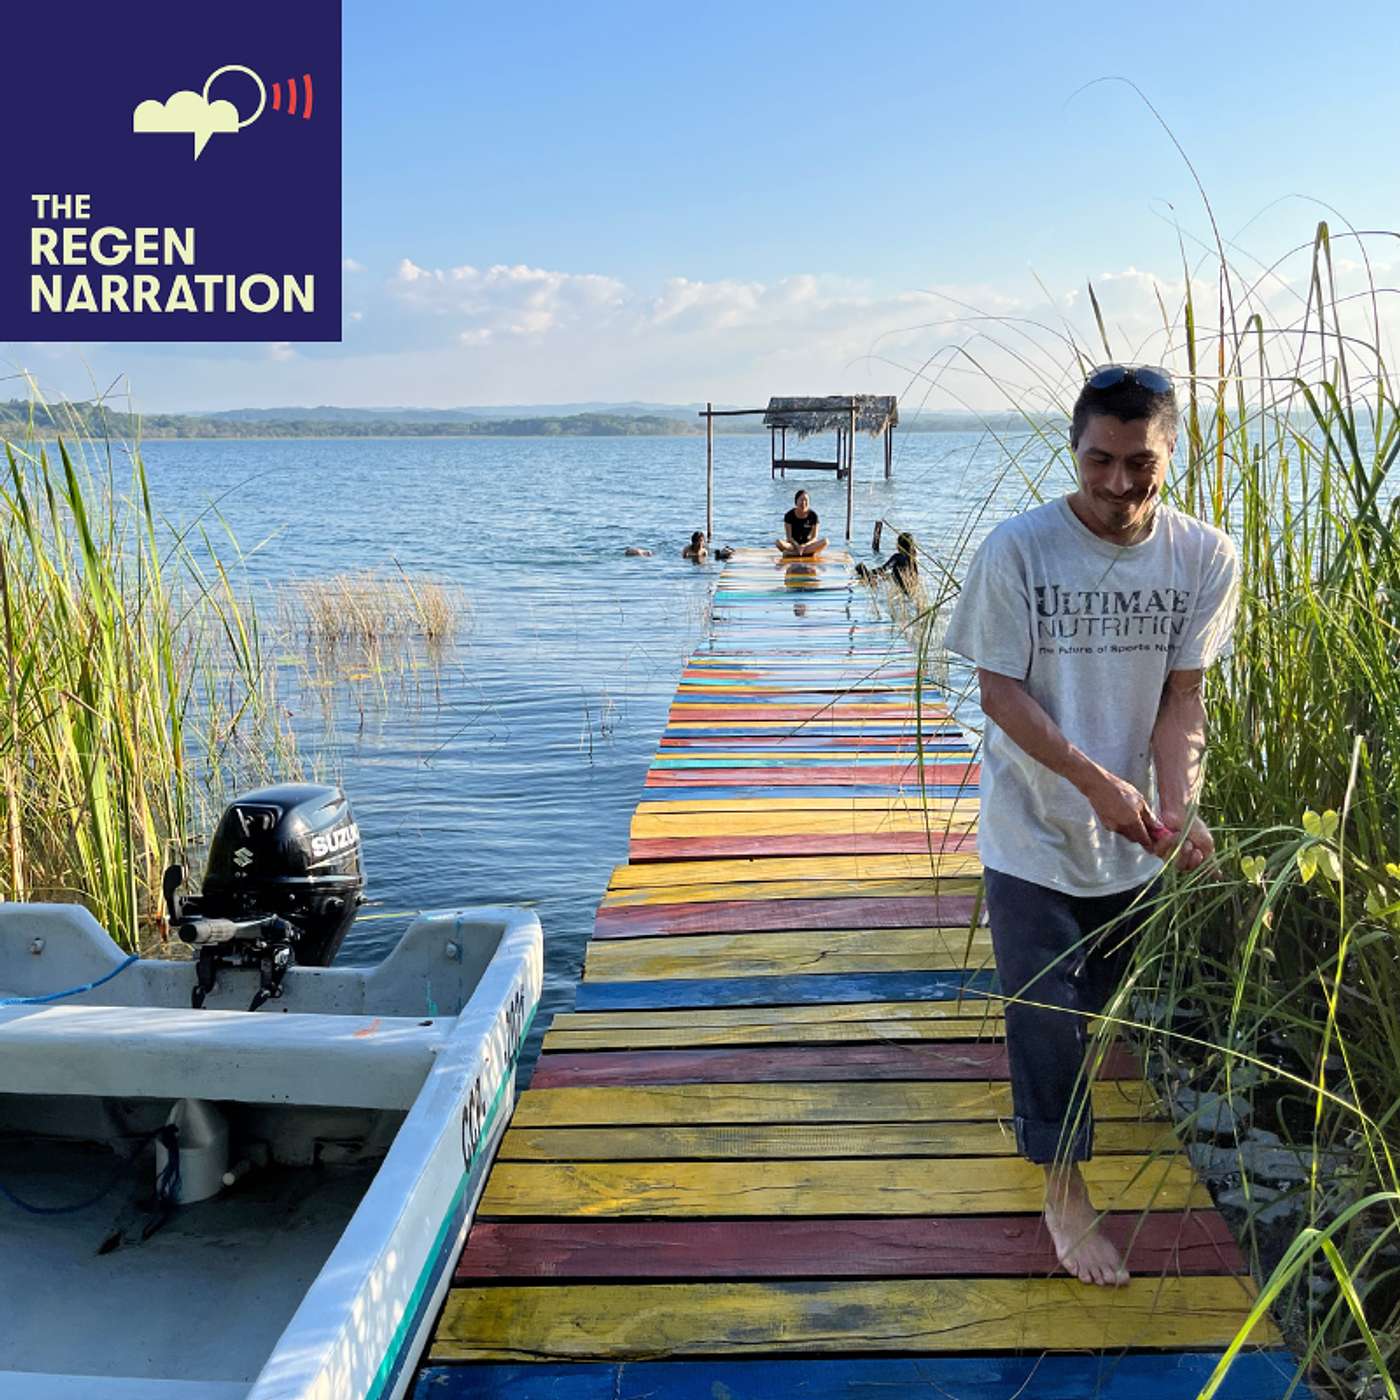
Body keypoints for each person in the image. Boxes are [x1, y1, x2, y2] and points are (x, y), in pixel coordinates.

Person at [942, 364, 1239, 1288]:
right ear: (1073, 452)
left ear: (1170, 451)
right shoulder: (1020, 550)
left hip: (1133, 849)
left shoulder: (1205, 556)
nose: (1117, 483)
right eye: (1098, 460)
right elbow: (999, 691)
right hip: (1033, 828)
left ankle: (1052, 1121)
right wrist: (1093, 781)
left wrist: (1174, 806)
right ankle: (1064, 1189)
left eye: (1138, 461)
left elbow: (1183, 697)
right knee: (1048, 1019)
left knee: (1098, 1007)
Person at [776, 489, 828, 557]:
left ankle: (793, 554)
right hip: (793, 545)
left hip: (808, 545)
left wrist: (804, 546)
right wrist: (798, 546)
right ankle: (808, 553)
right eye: (801, 500)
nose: (803, 502)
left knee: (825, 542)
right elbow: (789, 538)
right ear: (796, 502)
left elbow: (814, 538)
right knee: (778, 542)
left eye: (806, 500)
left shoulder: (813, 515)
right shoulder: (789, 515)